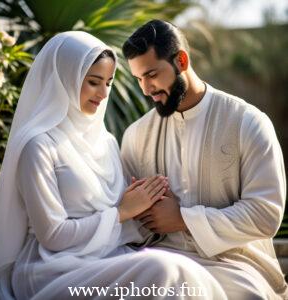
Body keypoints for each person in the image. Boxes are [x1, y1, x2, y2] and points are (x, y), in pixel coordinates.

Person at [0, 31, 228, 300]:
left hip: (106, 259)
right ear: (64, 79)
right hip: (54, 270)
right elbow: (53, 235)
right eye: (93, 82)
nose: (103, 94)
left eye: (108, 83)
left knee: (189, 275)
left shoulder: (107, 141)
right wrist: (121, 212)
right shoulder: (38, 146)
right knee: (164, 270)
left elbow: (124, 220)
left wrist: (149, 207)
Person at [121, 19, 288, 299]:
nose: (146, 89)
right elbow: (130, 221)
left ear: (181, 60)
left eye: (151, 74)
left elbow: (265, 214)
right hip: (159, 261)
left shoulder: (248, 122)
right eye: (139, 79)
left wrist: (184, 219)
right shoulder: (136, 136)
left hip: (235, 264)